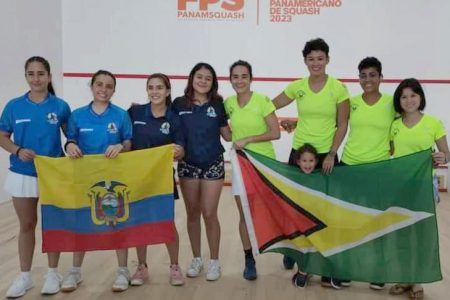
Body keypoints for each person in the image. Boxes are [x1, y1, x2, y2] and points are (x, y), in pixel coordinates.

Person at [272, 38, 350, 289]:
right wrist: (285, 121)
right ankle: (295, 251)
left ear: (327, 59)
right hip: (299, 153)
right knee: (296, 205)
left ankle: (322, 258)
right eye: (311, 59)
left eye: (320, 58)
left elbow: (343, 124)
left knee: (324, 210)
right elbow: (268, 105)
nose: (315, 63)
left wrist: (331, 153)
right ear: (305, 61)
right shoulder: (298, 86)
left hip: (326, 156)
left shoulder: (338, 88)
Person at [0, 56, 71, 298]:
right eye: (31, 74)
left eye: (41, 73)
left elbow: (70, 137)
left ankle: (53, 273)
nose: (36, 78)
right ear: (26, 77)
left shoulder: (60, 106)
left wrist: (71, 147)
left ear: (49, 77)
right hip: (22, 173)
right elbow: (2, 137)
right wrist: (17, 150)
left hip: (52, 174)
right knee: (27, 225)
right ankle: (25, 276)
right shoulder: (13, 106)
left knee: (52, 225)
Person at [62, 70, 133, 292]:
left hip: (114, 180)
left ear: (114, 90)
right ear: (91, 87)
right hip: (84, 179)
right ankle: (75, 272)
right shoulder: (77, 115)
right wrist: (70, 145)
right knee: (81, 223)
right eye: (99, 85)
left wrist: (121, 146)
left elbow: (129, 141)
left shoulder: (121, 115)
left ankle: (122, 270)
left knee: (117, 221)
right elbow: (70, 139)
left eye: (109, 86)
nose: (103, 89)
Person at [389, 78, 449, 300]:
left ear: (420, 97)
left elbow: (447, 154)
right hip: (399, 186)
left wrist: (442, 157)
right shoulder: (394, 125)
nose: (409, 100)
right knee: (402, 234)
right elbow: (388, 152)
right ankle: (406, 277)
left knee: (419, 234)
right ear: (399, 101)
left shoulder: (434, 123)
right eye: (404, 96)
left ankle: (417, 280)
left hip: (423, 186)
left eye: (413, 95)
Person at [171, 62, 231, 281]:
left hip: (213, 163)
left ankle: (214, 262)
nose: (203, 81)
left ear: (213, 82)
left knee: (209, 213)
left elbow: (228, 135)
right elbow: (168, 129)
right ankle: (197, 258)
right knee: (193, 214)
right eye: (199, 77)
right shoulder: (178, 104)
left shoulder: (218, 104)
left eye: (208, 78)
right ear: (192, 79)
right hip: (188, 165)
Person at [340, 57, 396, 290]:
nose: (368, 79)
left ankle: (378, 269)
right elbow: (335, 124)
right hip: (350, 166)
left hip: (378, 169)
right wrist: (292, 122)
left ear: (381, 77)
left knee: (377, 220)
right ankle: (347, 268)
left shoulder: (393, 103)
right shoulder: (351, 102)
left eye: (372, 75)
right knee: (349, 220)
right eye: (363, 75)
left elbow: (406, 128)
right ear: (359, 78)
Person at [127, 73, 185, 286]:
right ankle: (142, 267)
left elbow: (180, 148)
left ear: (167, 91)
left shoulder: (173, 117)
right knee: (139, 222)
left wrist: (179, 151)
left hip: (162, 178)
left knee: (166, 222)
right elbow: (123, 136)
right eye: (151, 88)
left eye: (159, 88)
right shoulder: (135, 112)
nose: (154, 92)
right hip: (137, 178)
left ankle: (175, 266)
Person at [224, 60, 280, 280]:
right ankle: (249, 259)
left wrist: (248, 139)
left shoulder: (263, 101)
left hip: (265, 165)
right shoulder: (228, 103)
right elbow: (228, 134)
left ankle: (288, 251)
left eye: (244, 76)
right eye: (235, 77)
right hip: (240, 165)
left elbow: (275, 132)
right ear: (230, 80)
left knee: (273, 211)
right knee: (245, 214)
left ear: (251, 78)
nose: (239, 80)